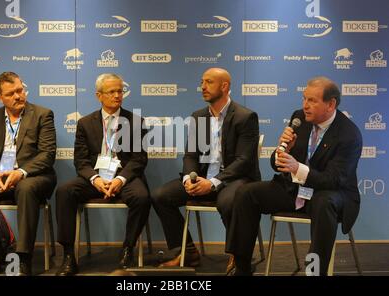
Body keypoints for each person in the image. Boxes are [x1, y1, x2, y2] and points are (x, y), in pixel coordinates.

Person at [232, 76, 363, 275]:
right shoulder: (299, 118)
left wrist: (297, 168)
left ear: (331, 104)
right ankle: (241, 268)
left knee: (323, 203)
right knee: (246, 193)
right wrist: (281, 151)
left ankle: (314, 272)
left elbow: (332, 180)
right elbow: (277, 165)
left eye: (312, 101)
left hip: (331, 193)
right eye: (304, 99)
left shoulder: (349, 134)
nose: (305, 106)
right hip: (295, 190)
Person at [151, 68, 261, 268]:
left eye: (209, 82)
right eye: (202, 82)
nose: (202, 87)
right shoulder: (198, 117)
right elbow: (191, 155)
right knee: (160, 195)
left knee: (229, 201)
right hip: (202, 178)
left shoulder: (245, 117)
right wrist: (188, 180)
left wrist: (212, 183)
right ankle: (187, 252)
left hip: (234, 180)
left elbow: (244, 160)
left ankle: (238, 254)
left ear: (224, 86)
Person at [55, 73, 150, 276]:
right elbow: (80, 161)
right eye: (112, 91)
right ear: (99, 95)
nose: (118, 95)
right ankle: (69, 255)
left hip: (124, 177)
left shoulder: (135, 121)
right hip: (95, 178)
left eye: (120, 91)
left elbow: (139, 159)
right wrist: (96, 179)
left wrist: (119, 179)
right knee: (64, 192)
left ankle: (128, 249)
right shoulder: (85, 123)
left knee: (142, 197)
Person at [0, 72, 57, 276]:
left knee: (25, 188)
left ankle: (23, 259)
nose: (18, 96)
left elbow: (47, 155)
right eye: (11, 93)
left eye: (20, 90)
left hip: (34, 176)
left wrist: (21, 172)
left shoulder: (42, 114)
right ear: (0, 97)